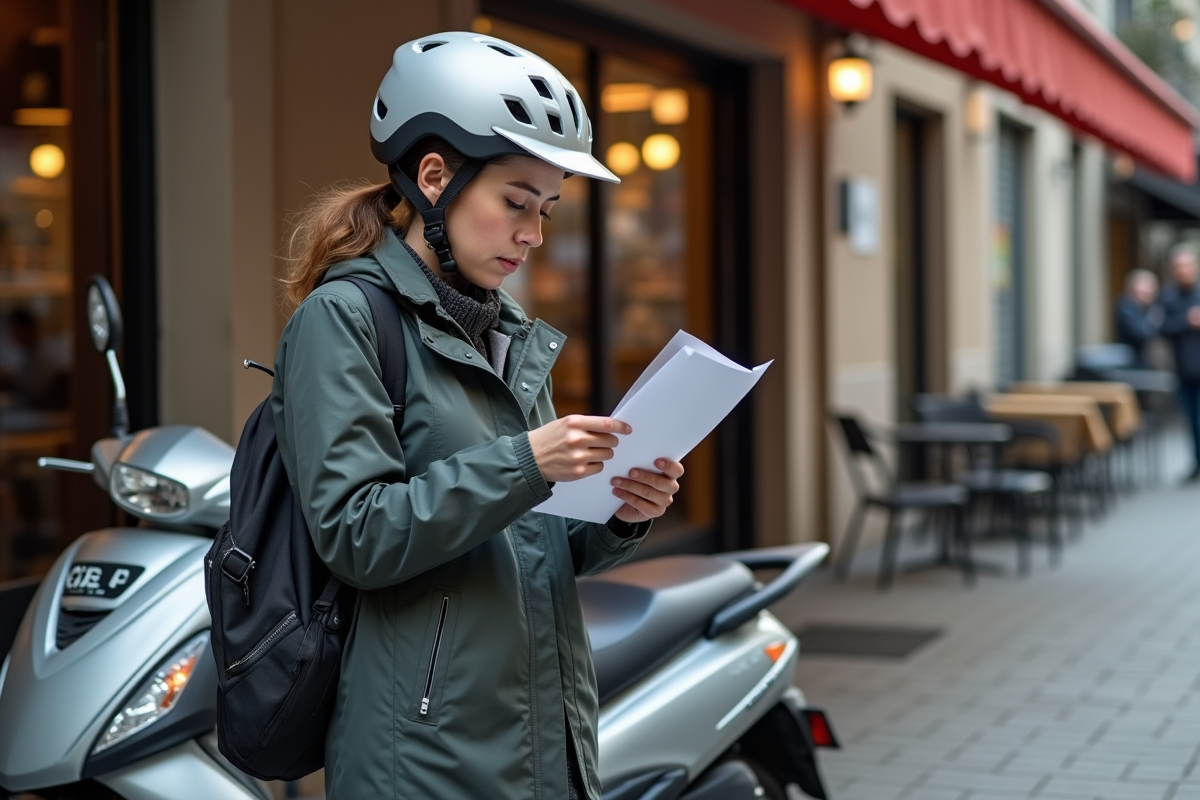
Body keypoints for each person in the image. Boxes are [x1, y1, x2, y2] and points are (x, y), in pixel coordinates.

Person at [272, 32, 684, 800]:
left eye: (548, 210)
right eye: (516, 203)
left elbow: (532, 546)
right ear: (434, 177)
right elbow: (357, 535)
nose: (533, 234)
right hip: (425, 762)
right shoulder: (343, 320)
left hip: (542, 742)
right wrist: (529, 461)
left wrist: (620, 515)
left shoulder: (507, 330)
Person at [1159, 246, 1200, 480]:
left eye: (1187, 266)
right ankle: (1197, 461)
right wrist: (1187, 320)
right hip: (1184, 368)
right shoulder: (1168, 296)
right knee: (1192, 420)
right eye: (1178, 267)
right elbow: (1161, 327)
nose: (1183, 271)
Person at [1114, 269, 1162, 367]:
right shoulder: (1126, 306)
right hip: (1130, 361)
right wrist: (1154, 321)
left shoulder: (1143, 307)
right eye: (1148, 288)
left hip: (1139, 359)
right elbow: (1139, 333)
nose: (1152, 293)